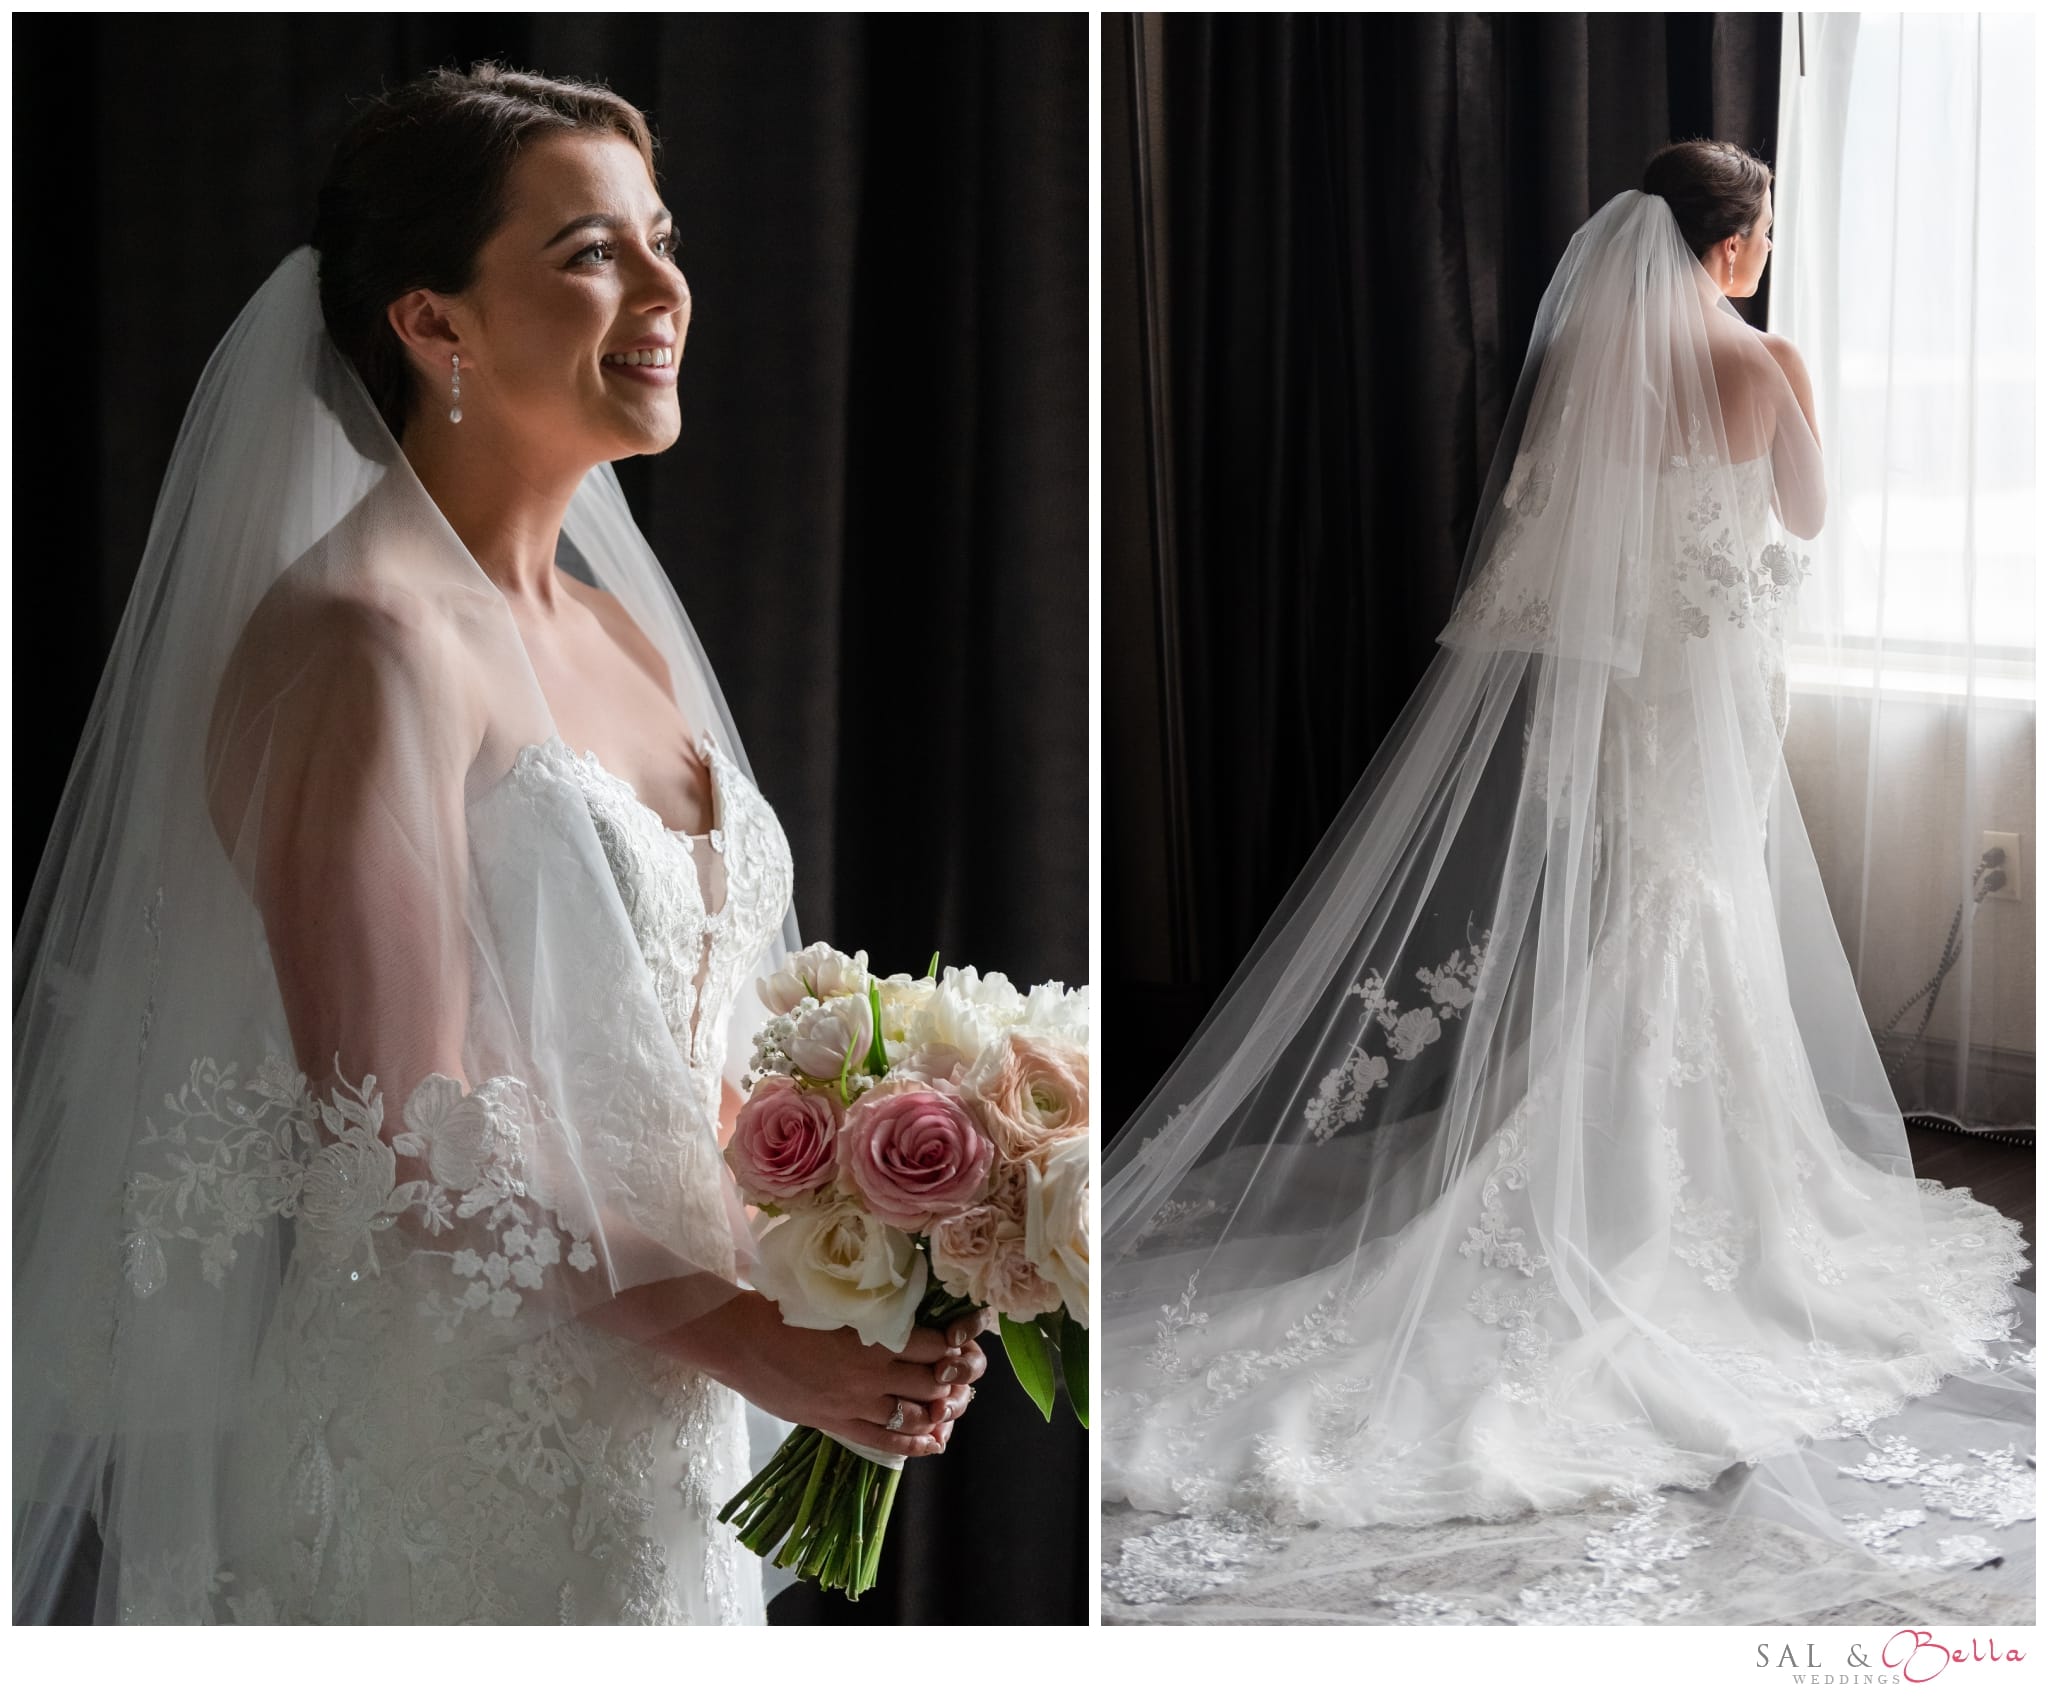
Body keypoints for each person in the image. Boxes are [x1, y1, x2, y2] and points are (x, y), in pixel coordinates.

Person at [13, 62, 993, 1626]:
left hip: (666, 1434)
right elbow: (411, 1142)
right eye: (592, 251)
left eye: (660, 237)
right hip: (456, 1460)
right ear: (433, 322)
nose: (667, 286)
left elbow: (692, 1067)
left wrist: (872, 1247)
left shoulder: (613, 632)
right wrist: (751, 1339)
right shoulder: (365, 638)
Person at [1100, 141, 2032, 1624]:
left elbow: (1539, 580)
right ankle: (1650, 1197)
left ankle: (1591, 1171)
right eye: (1766, 232)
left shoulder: (1589, 376)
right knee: (1690, 928)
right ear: (1729, 246)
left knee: (1640, 926)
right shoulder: (1762, 356)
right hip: (1712, 717)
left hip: (1622, 719)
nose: (1768, 256)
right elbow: (1802, 519)